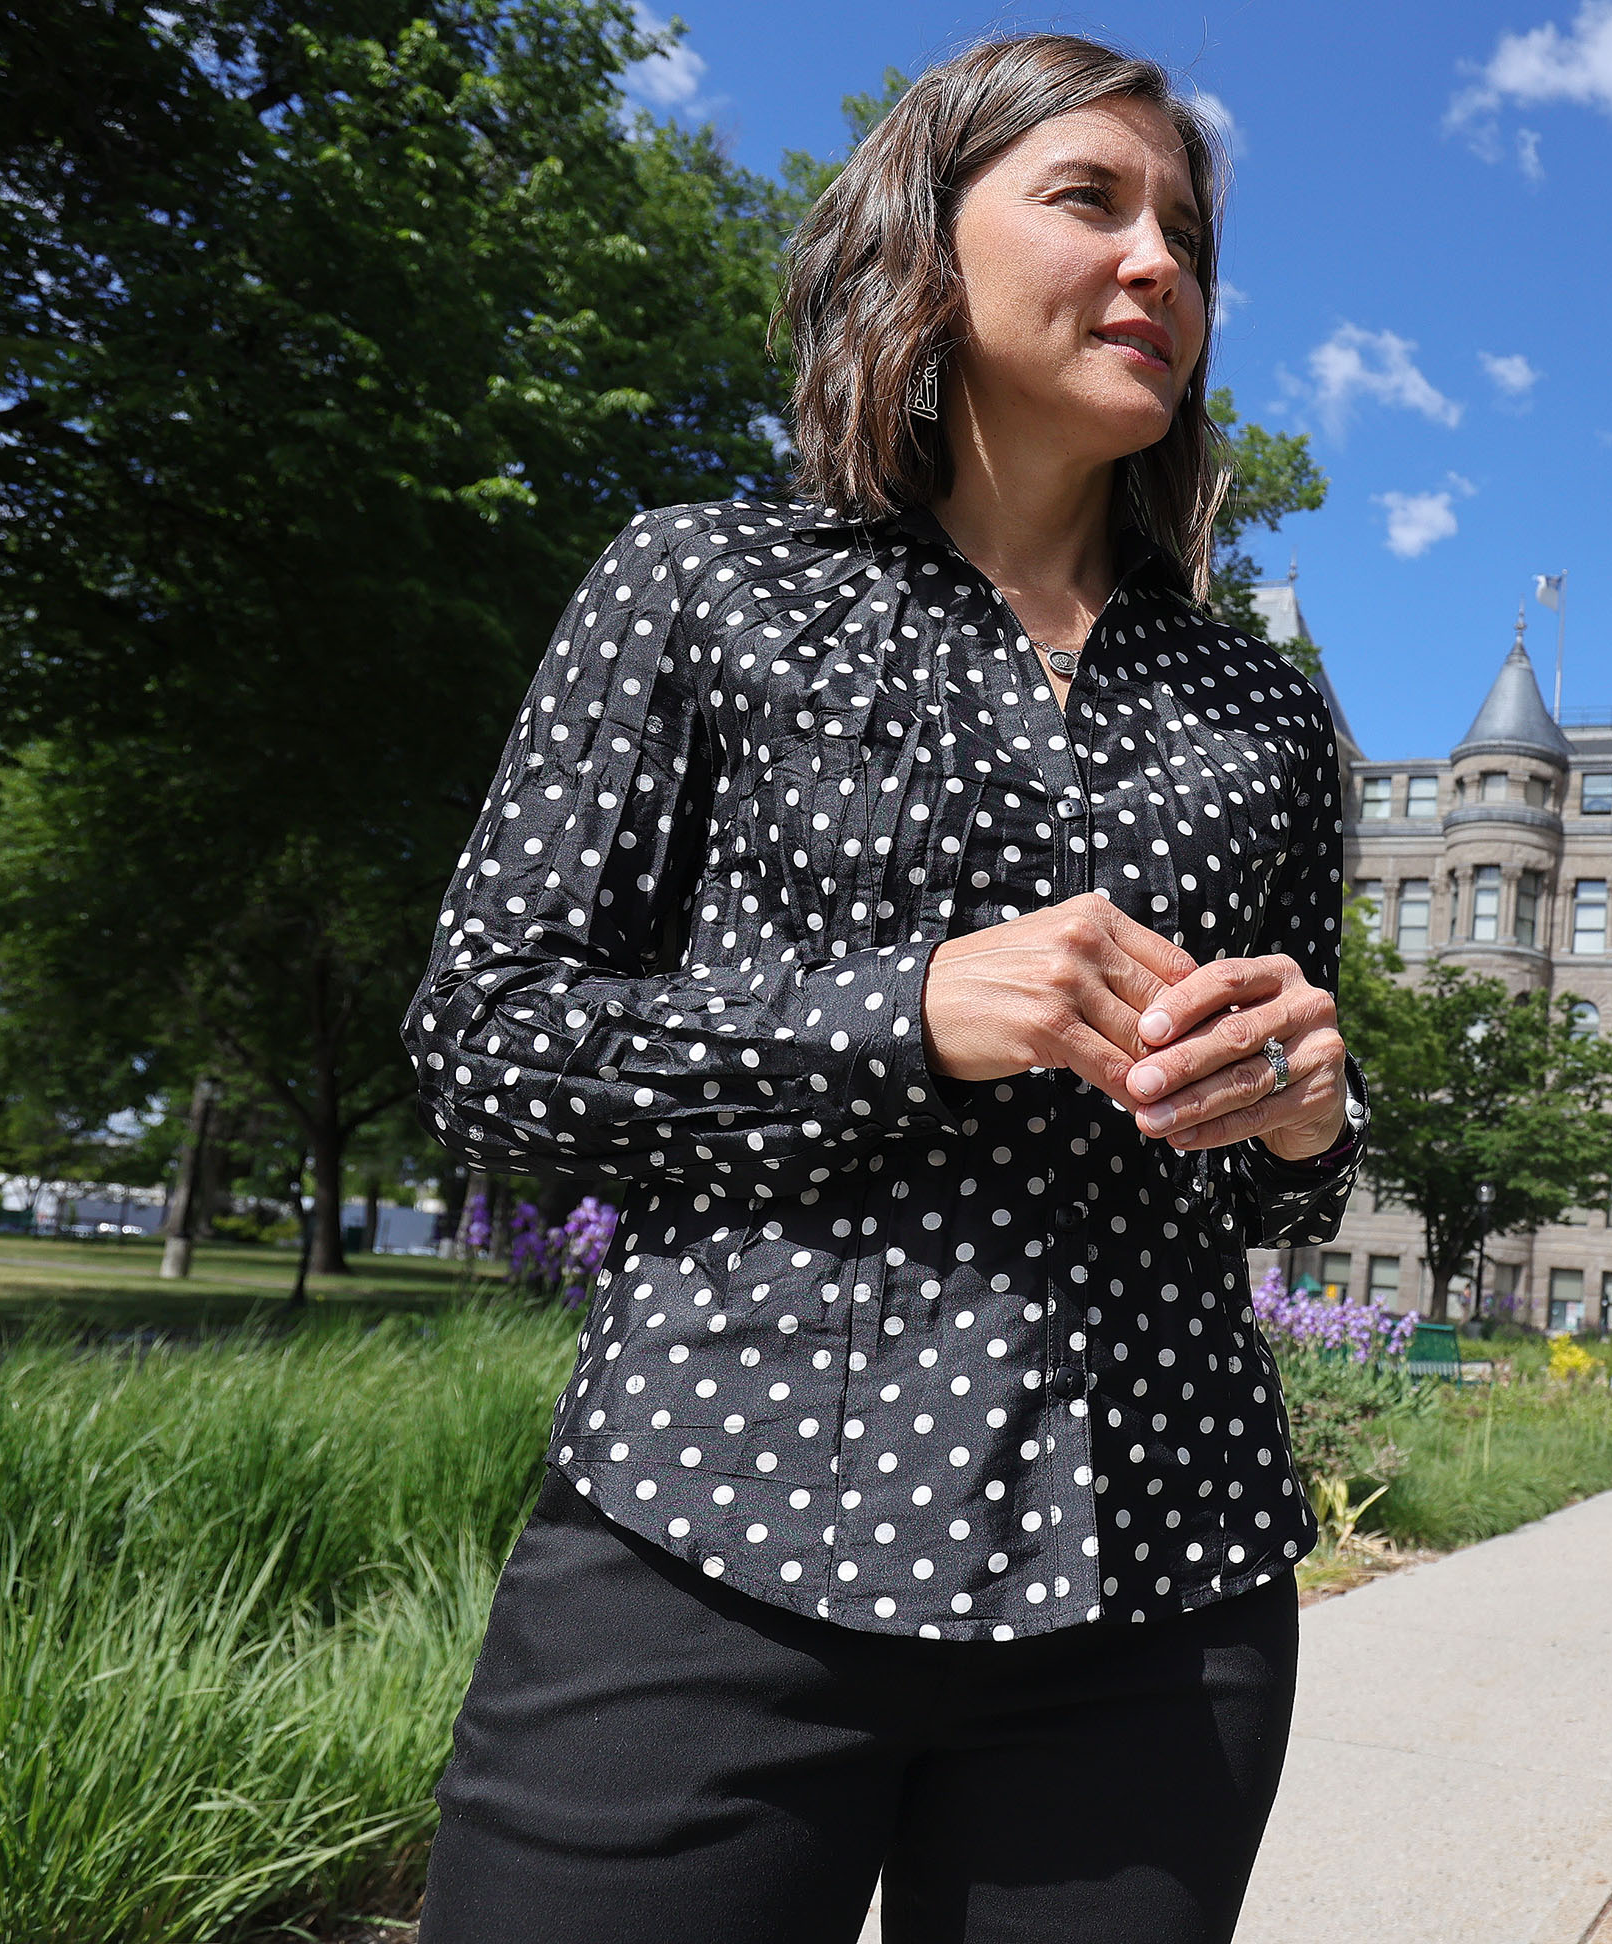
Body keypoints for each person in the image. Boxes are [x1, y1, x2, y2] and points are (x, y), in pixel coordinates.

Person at [405, 34, 1365, 1944]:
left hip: (1159, 1600)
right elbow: (484, 1042)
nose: (1161, 262)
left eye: (1186, 231)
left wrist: (1303, 1106)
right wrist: (900, 1012)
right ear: (923, 248)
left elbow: (1290, 1186)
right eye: (1092, 201)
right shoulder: (703, 592)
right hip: (713, 1542)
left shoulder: (1263, 709)